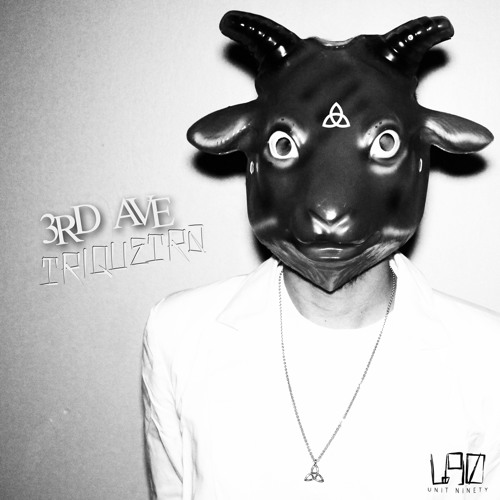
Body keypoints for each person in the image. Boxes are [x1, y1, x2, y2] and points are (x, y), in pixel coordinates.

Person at [142, 11, 500, 499]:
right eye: (282, 144)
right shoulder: (177, 334)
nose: (329, 209)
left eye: (386, 142)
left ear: (424, 155)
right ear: (248, 152)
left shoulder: (488, 355)